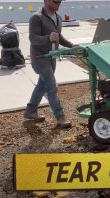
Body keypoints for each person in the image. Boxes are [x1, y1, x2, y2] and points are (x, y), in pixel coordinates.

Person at [24, 0, 74, 128]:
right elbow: (33, 39)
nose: (58, 2)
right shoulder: (37, 17)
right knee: (51, 86)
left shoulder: (58, 17)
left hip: (51, 57)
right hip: (40, 58)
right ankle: (60, 117)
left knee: (42, 85)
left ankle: (30, 111)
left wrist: (72, 46)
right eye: (55, 0)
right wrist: (47, 38)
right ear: (46, 1)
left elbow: (59, 37)